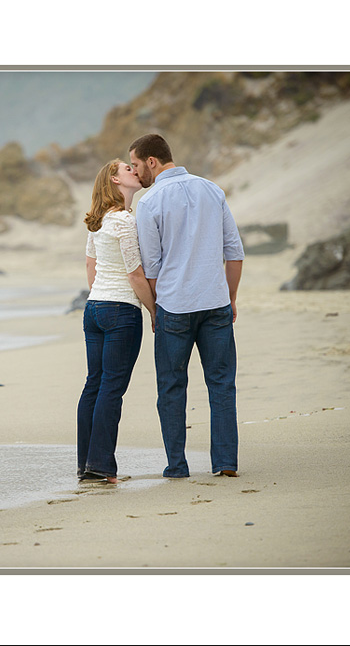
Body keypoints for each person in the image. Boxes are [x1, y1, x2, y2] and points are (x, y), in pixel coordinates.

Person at [130, 134, 245, 479]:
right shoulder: (212, 190)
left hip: (174, 307)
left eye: (136, 165)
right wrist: (231, 296)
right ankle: (225, 462)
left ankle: (177, 466)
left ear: (152, 161)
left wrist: (155, 311)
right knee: (222, 384)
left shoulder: (150, 203)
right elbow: (234, 252)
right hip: (215, 303)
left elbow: (150, 270)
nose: (136, 174)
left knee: (171, 387)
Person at [77, 159, 157, 484]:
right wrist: (154, 311)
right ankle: (102, 467)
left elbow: (90, 266)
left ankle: (86, 465)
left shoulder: (97, 222)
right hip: (121, 311)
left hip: (94, 308)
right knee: (111, 388)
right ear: (114, 179)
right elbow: (135, 274)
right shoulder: (124, 221)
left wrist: (100, 293)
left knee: (93, 384)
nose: (133, 171)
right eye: (127, 168)